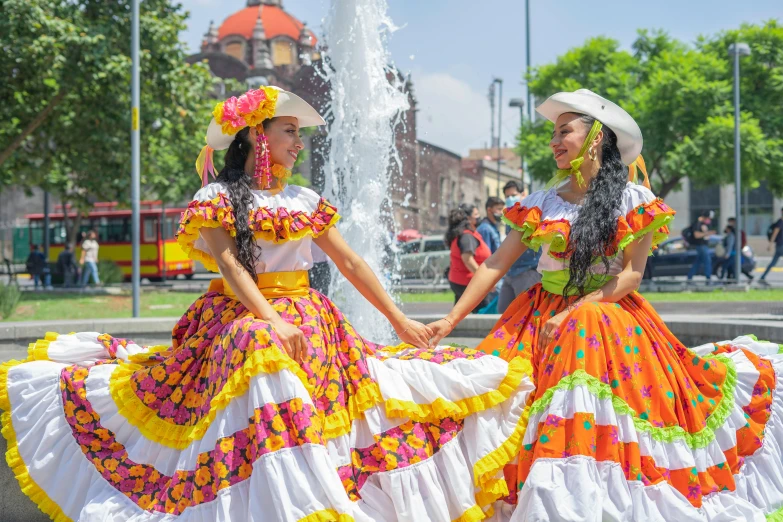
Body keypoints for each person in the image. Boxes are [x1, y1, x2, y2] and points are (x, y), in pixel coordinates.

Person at [0, 86, 533, 521]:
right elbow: (232, 268)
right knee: (260, 347)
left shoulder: (303, 201)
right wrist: (272, 318)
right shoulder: (216, 198)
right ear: (259, 136)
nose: (298, 143)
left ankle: (308, 493)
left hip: (310, 317)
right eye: (289, 132)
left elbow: (348, 264)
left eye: (298, 134)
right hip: (240, 315)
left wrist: (398, 320)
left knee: (387, 387)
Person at [427, 88, 783, 520]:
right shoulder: (541, 203)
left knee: (587, 387)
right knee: (492, 397)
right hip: (540, 316)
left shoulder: (634, 200)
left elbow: (631, 275)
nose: (554, 141)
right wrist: (449, 320)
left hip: (607, 315)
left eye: (565, 131)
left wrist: (576, 310)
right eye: (554, 133)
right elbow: (495, 265)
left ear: (596, 136)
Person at [498, 180, 542, 313]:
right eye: (507, 196)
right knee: (502, 314)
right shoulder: (509, 215)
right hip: (511, 271)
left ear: (524, 194)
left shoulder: (533, 213)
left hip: (528, 270)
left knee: (526, 315)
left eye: (513, 195)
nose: (510, 199)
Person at [446, 203, 492, 312]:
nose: (479, 216)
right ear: (468, 219)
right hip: (468, 283)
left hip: (462, 282)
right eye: (476, 214)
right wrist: (485, 280)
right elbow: (468, 259)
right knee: (483, 313)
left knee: (459, 314)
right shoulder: (467, 236)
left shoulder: (465, 234)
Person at [686, 210, 716, 284]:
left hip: (703, 245)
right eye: (708, 218)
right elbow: (696, 235)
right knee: (707, 261)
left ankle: (689, 278)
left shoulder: (702, 223)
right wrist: (707, 233)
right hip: (701, 246)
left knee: (697, 263)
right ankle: (708, 280)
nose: (709, 220)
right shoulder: (697, 223)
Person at [760, 206, 783, 285]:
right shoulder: (780, 222)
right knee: (773, 263)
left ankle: (762, 277)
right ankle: (762, 277)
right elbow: (774, 234)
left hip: (780, 246)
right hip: (780, 246)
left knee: (773, 263)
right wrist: (770, 245)